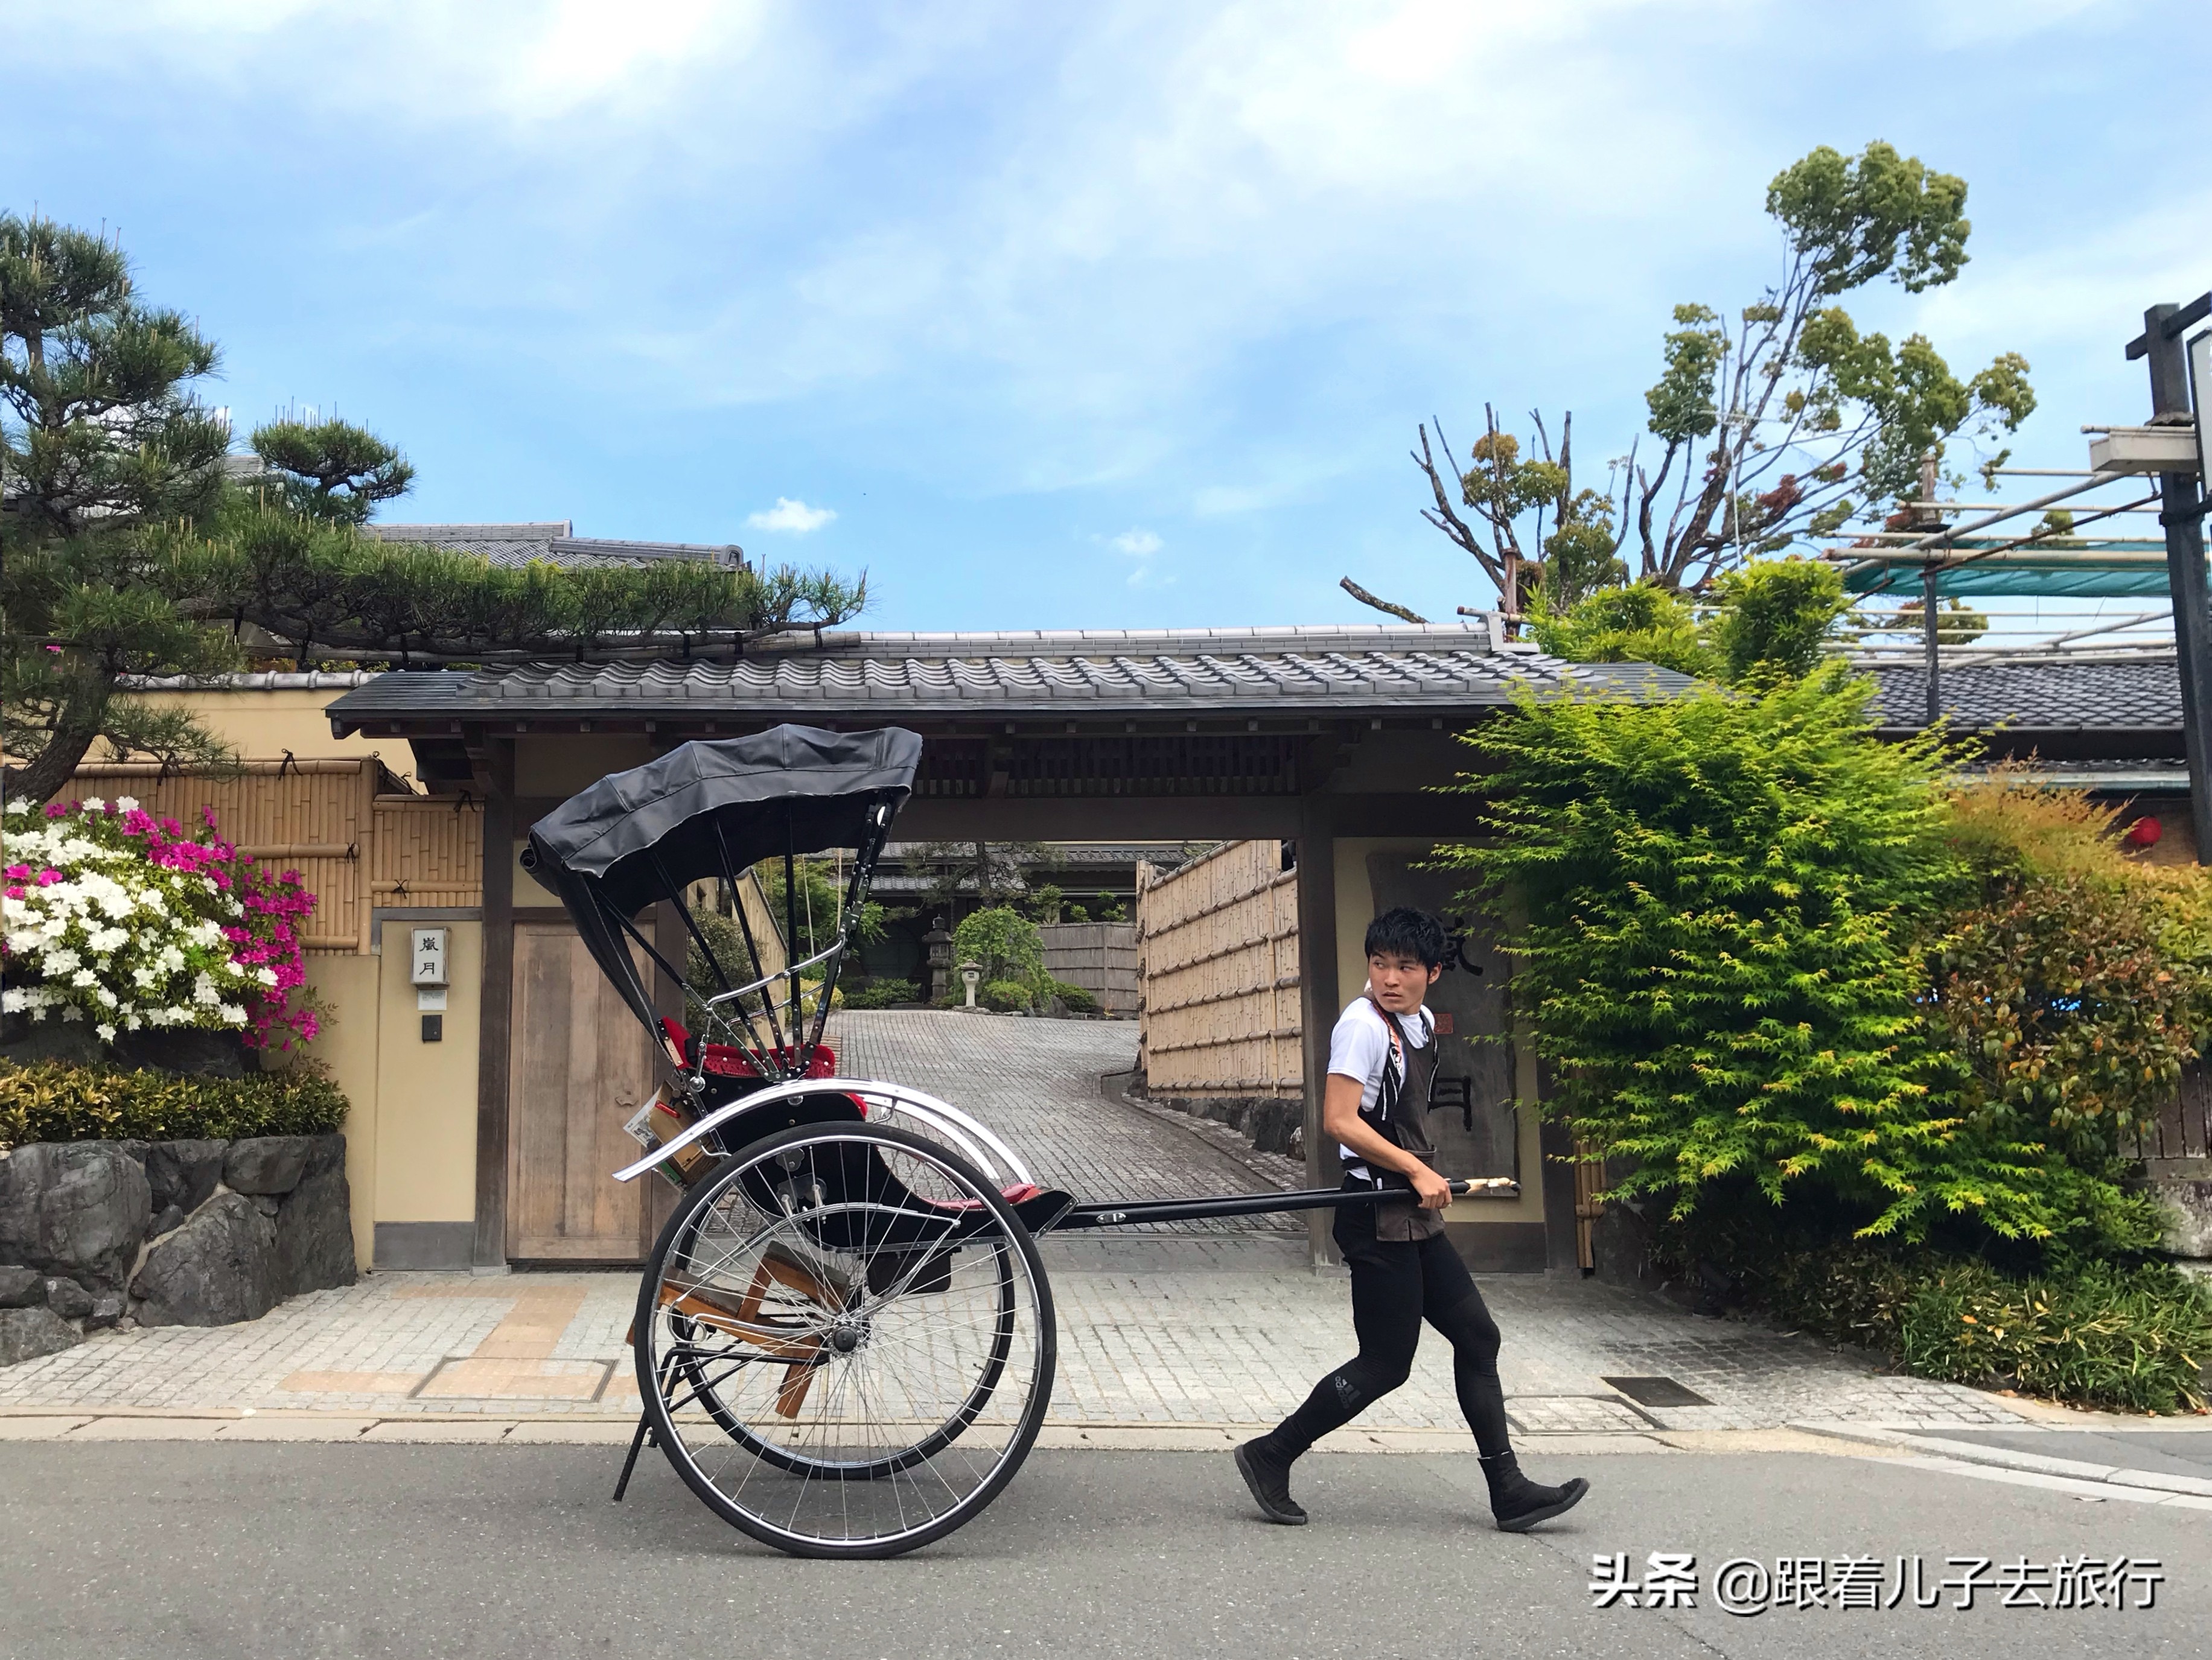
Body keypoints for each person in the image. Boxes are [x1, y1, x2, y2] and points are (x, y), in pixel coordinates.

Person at [1233, 906, 1589, 1531]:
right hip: (1374, 1214)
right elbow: (1339, 1121)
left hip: (1408, 1212)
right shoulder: (1361, 1028)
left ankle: (1507, 1490)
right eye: (1378, 965)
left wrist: (1419, 1175)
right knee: (1385, 1364)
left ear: (1432, 971)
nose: (1388, 979)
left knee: (1478, 1339)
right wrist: (1416, 1170)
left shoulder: (1419, 1024)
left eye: (1403, 967)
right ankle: (1271, 1453)